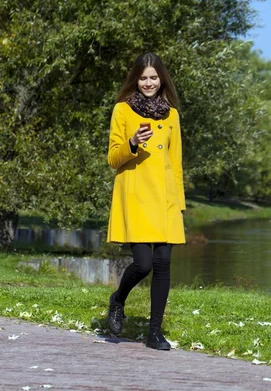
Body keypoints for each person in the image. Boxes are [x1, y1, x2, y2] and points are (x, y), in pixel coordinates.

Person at [106, 52, 186, 350]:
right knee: (143, 265)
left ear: (161, 79)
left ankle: (154, 333)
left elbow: (176, 164)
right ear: (135, 79)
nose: (149, 83)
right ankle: (118, 299)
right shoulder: (123, 111)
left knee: (163, 263)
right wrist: (132, 144)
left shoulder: (172, 115)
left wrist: (179, 204)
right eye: (143, 78)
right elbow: (113, 159)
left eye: (154, 77)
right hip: (136, 197)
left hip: (165, 199)